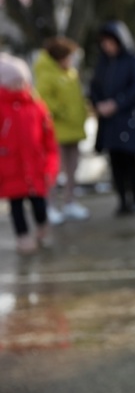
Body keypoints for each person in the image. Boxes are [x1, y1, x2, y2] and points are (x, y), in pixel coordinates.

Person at [0, 53, 60, 253]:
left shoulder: (36, 106)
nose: (18, 86)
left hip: (35, 166)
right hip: (10, 168)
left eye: (21, 82)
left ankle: (42, 226)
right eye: (13, 82)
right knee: (16, 207)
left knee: (39, 203)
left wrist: (50, 165)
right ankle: (23, 236)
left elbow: (48, 138)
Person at [90, 21, 135, 216]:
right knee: (115, 162)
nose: (108, 46)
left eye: (111, 42)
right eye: (105, 42)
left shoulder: (131, 61)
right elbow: (94, 88)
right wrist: (99, 104)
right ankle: (122, 199)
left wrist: (117, 103)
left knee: (129, 160)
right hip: (109, 121)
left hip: (128, 119)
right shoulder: (103, 63)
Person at [34, 37, 90, 223]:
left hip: (73, 128)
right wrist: (64, 111)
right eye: (69, 56)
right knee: (53, 170)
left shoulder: (71, 73)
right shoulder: (46, 74)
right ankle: (50, 206)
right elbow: (44, 100)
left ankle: (70, 202)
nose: (71, 60)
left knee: (72, 168)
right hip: (56, 129)